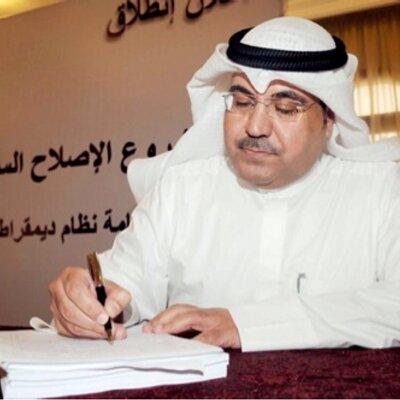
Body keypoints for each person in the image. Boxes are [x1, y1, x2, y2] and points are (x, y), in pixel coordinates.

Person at [49, 16, 400, 351]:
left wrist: (246, 324)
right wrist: (87, 302)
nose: (255, 126)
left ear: (329, 118)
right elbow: (124, 285)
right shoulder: (181, 189)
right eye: (243, 102)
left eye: (285, 108)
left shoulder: (383, 189)